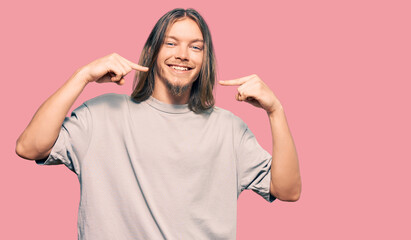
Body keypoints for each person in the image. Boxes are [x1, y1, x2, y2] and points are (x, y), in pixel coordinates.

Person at [16, 8, 301, 240]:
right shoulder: (101, 114)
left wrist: (275, 110)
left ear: (205, 60)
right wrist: (82, 76)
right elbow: (29, 147)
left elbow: (288, 191)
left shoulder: (230, 130)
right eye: (171, 42)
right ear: (152, 51)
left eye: (195, 47)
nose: (183, 54)